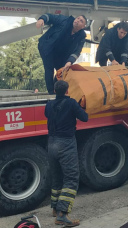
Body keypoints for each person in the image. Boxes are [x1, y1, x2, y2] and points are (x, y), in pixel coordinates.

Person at [45, 80, 88, 227]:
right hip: (66, 144)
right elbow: (85, 118)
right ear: (67, 91)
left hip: (51, 143)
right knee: (71, 178)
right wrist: (82, 106)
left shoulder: (49, 105)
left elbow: (48, 115)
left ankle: (56, 209)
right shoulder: (71, 103)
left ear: (55, 91)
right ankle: (63, 214)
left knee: (57, 177)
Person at [36, 14, 87, 94]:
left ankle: (57, 90)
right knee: (49, 69)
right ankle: (51, 93)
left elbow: (77, 51)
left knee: (62, 71)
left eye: (81, 21)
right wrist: (42, 19)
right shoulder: (65, 20)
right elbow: (51, 17)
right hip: (48, 47)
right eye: (78, 18)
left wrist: (70, 61)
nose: (77, 21)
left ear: (83, 26)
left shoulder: (81, 37)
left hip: (61, 54)